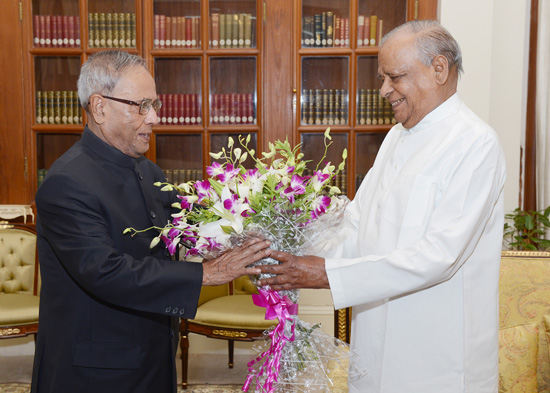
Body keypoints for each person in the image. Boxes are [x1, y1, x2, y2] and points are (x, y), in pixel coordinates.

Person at [258, 20, 506, 393]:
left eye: (395, 77)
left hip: (438, 352)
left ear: (439, 69)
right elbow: (357, 226)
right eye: (383, 78)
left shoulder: (475, 143)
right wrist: (285, 252)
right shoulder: (396, 136)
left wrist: (327, 274)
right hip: (377, 336)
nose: (384, 89)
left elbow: (441, 255)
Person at [31, 50, 271, 393]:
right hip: (95, 371)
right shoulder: (66, 183)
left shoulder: (147, 170)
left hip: (153, 357)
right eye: (141, 105)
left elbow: (190, 231)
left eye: (155, 104)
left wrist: (253, 225)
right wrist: (207, 273)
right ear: (100, 107)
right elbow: (105, 272)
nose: (154, 117)